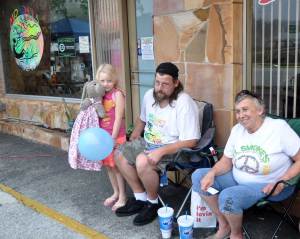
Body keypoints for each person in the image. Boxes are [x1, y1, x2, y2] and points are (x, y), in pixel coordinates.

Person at [192, 90, 300, 239]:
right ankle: (224, 225)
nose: (240, 115)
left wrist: (281, 181)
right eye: (237, 111)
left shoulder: (278, 128)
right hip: (236, 177)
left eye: (245, 109)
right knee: (199, 176)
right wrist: (212, 173)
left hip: (268, 184)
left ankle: (236, 235)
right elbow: (226, 161)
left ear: (260, 110)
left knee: (228, 198)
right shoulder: (237, 130)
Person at [114, 62, 201, 226]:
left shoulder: (184, 103)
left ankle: (153, 203)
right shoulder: (149, 95)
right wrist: (134, 135)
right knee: (120, 154)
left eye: (165, 84)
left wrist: (161, 151)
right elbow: (143, 119)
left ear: (176, 83)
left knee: (142, 161)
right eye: (157, 82)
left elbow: (192, 141)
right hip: (147, 142)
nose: (159, 88)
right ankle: (140, 197)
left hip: (173, 149)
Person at [96, 64, 127, 211]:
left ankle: (123, 196)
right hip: (103, 136)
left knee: (117, 168)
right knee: (108, 167)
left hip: (116, 137)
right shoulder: (99, 96)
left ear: (114, 80)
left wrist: (113, 138)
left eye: (109, 81)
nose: (106, 84)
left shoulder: (117, 94)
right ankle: (115, 192)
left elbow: (119, 118)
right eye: (102, 81)